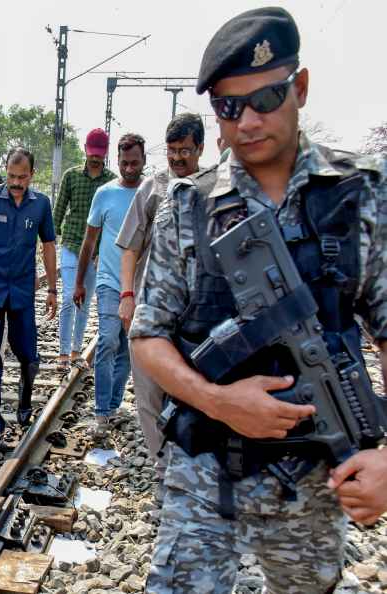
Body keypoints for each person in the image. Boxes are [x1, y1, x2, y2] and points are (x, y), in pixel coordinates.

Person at [130, 7, 387, 592]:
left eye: (266, 99)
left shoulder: (361, 194)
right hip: (204, 474)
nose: (245, 121)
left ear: (299, 87)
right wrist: (218, 400)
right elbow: (147, 336)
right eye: (227, 107)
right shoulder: (186, 207)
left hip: (316, 483)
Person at [115, 113, 204, 482]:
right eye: (171, 151)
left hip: (196, 314)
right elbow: (130, 248)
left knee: (191, 392)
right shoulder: (153, 188)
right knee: (148, 395)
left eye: (185, 150)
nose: (177, 158)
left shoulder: (211, 189)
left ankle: (192, 463)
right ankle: (163, 464)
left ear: (200, 148)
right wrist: (127, 294)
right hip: (150, 310)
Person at [0, 147, 56, 449]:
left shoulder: (41, 205)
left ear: (32, 175)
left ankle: (25, 393)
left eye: (22, 177)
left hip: (23, 291)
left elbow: (48, 245)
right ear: (5, 171)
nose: (16, 183)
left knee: (28, 356)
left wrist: (51, 289)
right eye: (11, 176)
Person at [74, 133, 145, 436]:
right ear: (117, 161)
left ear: (143, 161)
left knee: (128, 349)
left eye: (135, 163)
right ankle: (102, 412)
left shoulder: (151, 192)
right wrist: (79, 282)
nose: (129, 168)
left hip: (141, 285)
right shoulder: (104, 194)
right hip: (108, 280)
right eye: (125, 163)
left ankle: (114, 405)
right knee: (107, 342)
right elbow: (89, 241)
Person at [53, 129, 117, 372]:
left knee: (84, 301)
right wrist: (50, 238)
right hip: (71, 244)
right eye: (92, 154)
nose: (95, 159)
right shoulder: (71, 177)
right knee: (70, 295)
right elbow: (59, 209)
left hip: (95, 252)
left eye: (99, 155)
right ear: (85, 150)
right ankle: (62, 352)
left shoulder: (111, 182)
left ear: (105, 153)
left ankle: (76, 351)